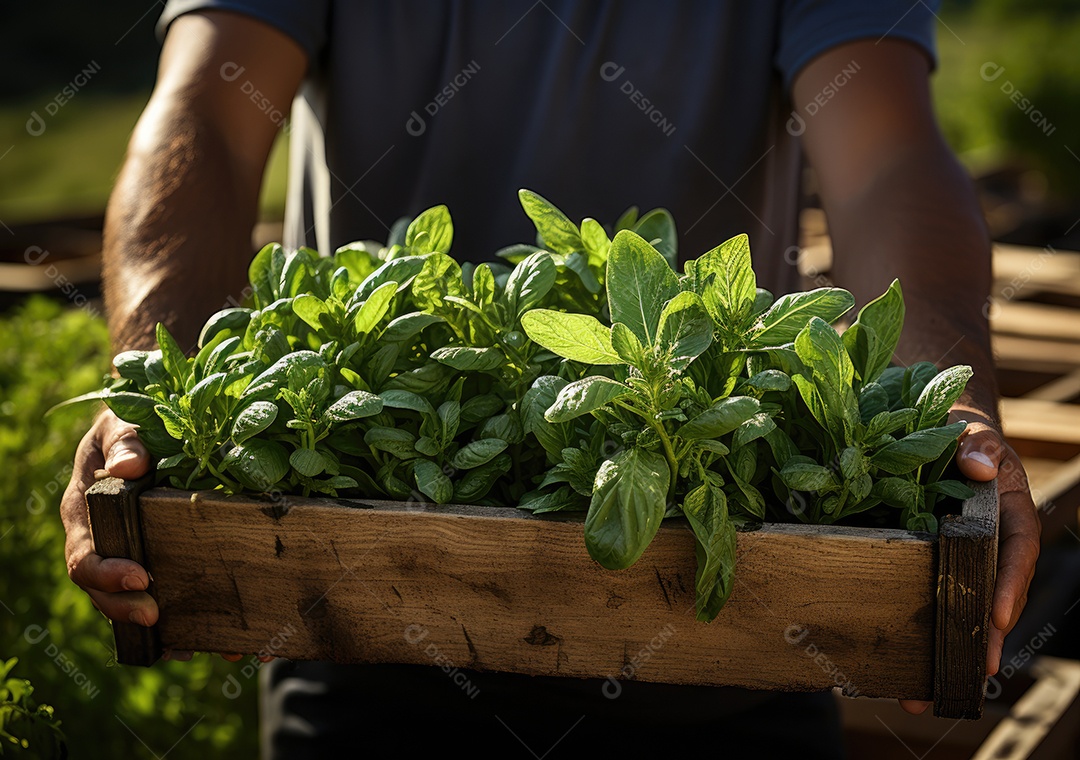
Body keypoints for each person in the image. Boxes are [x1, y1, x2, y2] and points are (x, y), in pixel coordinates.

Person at [61, 1, 1041, 757]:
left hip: (732, 607)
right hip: (356, 607)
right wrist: (154, 379)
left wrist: (945, 405)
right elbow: (204, 120)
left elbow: (888, 162)